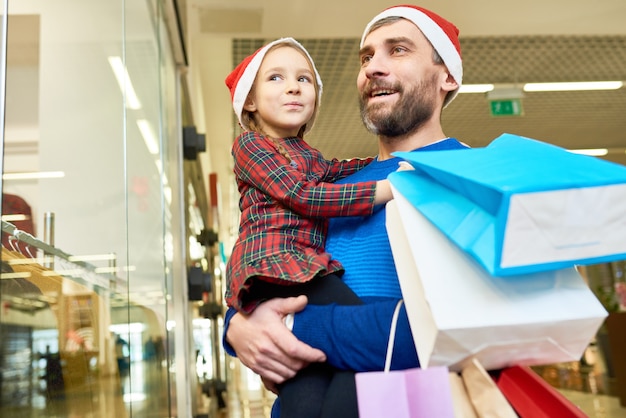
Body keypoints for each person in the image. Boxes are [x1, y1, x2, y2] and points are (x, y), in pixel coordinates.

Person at [223, 5, 469, 417]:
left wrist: (294, 328)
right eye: (367, 57)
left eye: (399, 50)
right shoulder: (325, 190)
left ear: (447, 76)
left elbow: (461, 330)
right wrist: (236, 327)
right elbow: (263, 265)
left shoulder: (472, 180)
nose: (374, 67)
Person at [223, 37, 396, 418]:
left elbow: (335, 171)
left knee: (307, 390)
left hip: (293, 271)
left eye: (304, 79)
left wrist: (385, 162)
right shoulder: (249, 145)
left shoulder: (307, 154)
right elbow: (304, 195)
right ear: (249, 102)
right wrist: (386, 188)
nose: (293, 86)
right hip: (278, 267)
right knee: (367, 349)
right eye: (275, 78)